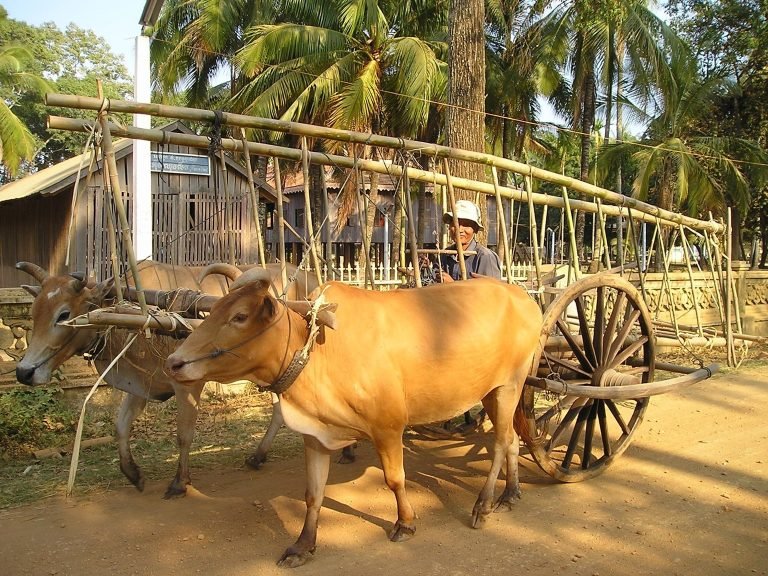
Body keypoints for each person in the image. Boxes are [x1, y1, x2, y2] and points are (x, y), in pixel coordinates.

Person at [438, 199, 501, 282]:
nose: (459, 229)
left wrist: (453, 285)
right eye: (455, 224)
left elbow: (492, 291)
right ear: (449, 227)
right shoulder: (446, 254)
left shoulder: (485, 257)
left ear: (475, 229)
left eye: (466, 225)